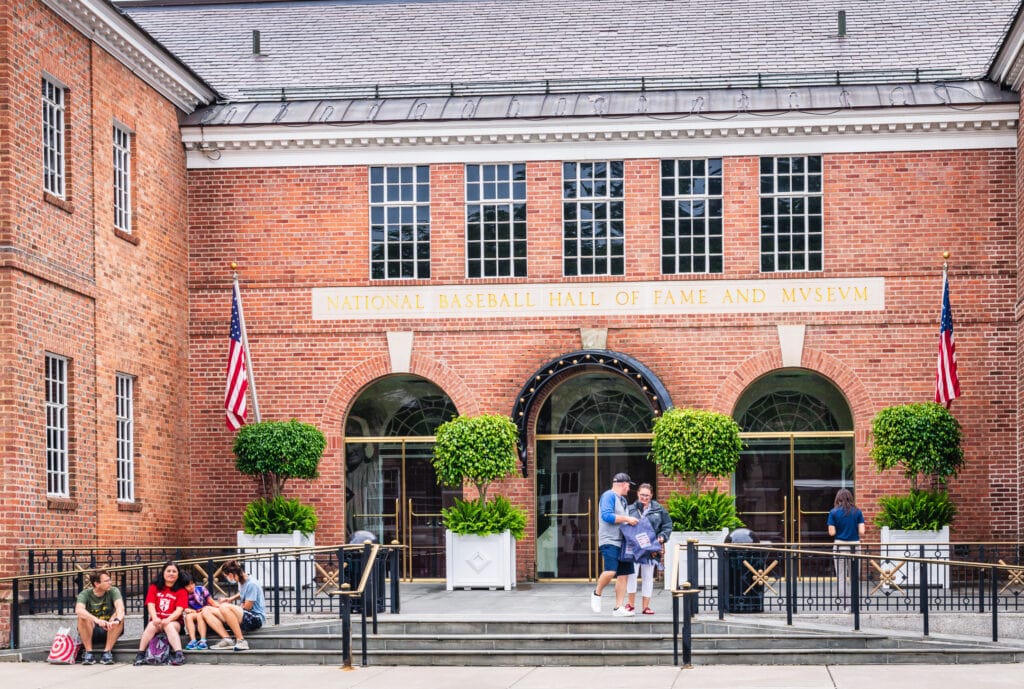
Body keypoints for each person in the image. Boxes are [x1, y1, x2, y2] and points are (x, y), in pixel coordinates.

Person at [590, 472, 639, 617]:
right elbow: (607, 515)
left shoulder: (622, 500)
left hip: (623, 542)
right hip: (609, 540)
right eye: (628, 485)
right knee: (611, 571)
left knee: (624, 575)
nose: (629, 488)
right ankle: (597, 593)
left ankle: (618, 608)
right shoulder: (608, 496)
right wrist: (627, 519)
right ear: (623, 484)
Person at [625, 483, 672, 615]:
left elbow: (667, 525)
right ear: (637, 494)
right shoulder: (630, 509)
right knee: (632, 575)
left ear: (651, 495)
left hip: (650, 548)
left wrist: (662, 536)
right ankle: (631, 605)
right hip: (634, 548)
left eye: (647, 495)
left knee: (647, 576)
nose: (644, 497)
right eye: (642, 495)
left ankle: (646, 607)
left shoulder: (659, 510)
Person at [202, 560, 265, 651]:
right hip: (244, 615)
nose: (227, 578)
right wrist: (230, 599)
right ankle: (228, 640)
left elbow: (247, 607)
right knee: (206, 610)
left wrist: (228, 609)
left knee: (224, 607)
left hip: (255, 619)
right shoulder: (242, 580)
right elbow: (242, 593)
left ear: (231, 575)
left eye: (226, 576)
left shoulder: (252, 584)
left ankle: (241, 641)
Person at [134, 560, 188, 666]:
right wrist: (155, 618)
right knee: (151, 626)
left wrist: (167, 620)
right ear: (163, 573)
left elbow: (179, 611)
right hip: (157, 621)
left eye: (174, 571)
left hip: (174, 622)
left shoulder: (181, 591)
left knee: (169, 625)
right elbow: (151, 605)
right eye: (168, 571)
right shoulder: (154, 587)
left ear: (178, 575)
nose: (171, 573)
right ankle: (140, 654)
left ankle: (179, 655)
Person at [75, 569, 125, 665]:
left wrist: (117, 620)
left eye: (109, 580)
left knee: (119, 616)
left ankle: (107, 653)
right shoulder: (85, 594)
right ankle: (89, 653)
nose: (110, 582)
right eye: (106, 581)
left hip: (110, 629)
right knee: (82, 617)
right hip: (91, 630)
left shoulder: (113, 591)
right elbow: (79, 610)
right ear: (97, 584)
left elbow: (120, 607)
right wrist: (97, 620)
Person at [827, 488, 865, 602]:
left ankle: (845, 604)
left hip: (840, 546)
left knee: (841, 576)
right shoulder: (857, 511)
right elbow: (862, 531)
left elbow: (831, 532)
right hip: (855, 546)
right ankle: (855, 603)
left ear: (838, 498)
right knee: (854, 576)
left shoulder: (833, 512)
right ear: (850, 498)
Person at [179, 570, 219, 650]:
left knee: (200, 615)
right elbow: (185, 608)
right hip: (195, 614)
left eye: (192, 583)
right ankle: (193, 640)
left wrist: (221, 607)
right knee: (188, 617)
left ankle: (203, 641)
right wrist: (188, 610)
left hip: (206, 613)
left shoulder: (201, 589)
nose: (191, 586)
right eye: (188, 585)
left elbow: (212, 603)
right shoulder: (183, 595)